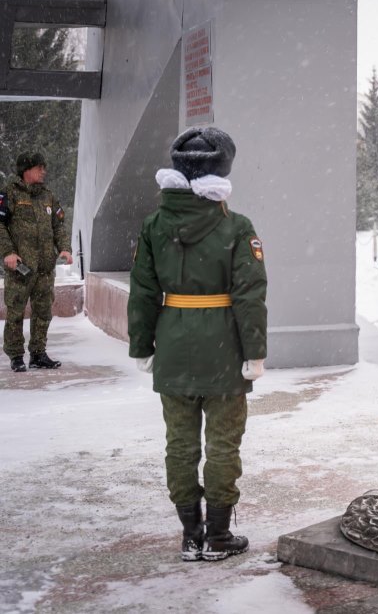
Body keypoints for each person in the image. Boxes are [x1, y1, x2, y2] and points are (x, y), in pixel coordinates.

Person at [128, 127, 267, 562]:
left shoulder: (153, 224)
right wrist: (255, 351)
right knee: (224, 444)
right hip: (224, 346)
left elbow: (143, 290)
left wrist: (141, 345)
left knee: (180, 446)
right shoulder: (236, 225)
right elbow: (249, 294)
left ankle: (191, 533)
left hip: (172, 343)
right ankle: (218, 536)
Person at [1, 152, 72, 372]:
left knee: (43, 312)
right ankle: (16, 356)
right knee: (16, 312)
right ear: (27, 170)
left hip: (44, 268)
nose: (44, 171)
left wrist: (64, 248)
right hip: (20, 268)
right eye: (40, 167)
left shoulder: (48, 196)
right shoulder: (9, 194)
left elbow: (58, 225)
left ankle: (38, 354)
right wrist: (8, 253)